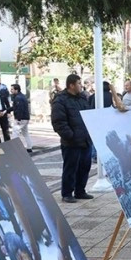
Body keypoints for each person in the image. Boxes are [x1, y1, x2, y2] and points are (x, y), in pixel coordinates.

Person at [51, 74, 94, 203]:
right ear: (71, 85)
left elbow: (88, 116)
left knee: (84, 167)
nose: (82, 86)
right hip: (71, 142)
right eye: (79, 83)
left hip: (85, 140)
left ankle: (80, 191)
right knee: (71, 168)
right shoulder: (60, 100)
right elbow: (59, 122)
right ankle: (67, 193)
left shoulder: (82, 98)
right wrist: (70, 136)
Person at [10, 83, 33, 153]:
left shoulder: (18, 98)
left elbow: (19, 109)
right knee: (25, 133)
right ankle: (29, 147)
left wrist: (18, 119)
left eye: (12, 89)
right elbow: (16, 107)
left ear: (16, 90)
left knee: (15, 132)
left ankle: (14, 148)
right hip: (25, 118)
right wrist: (6, 110)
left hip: (21, 118)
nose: (11, 90)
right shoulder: (22, 96)